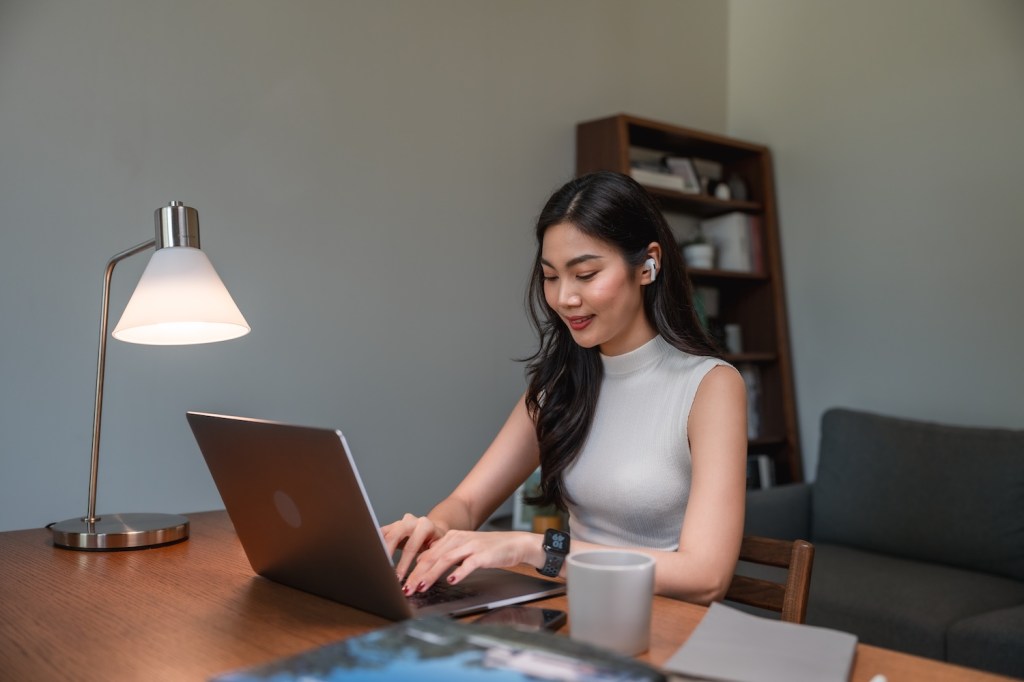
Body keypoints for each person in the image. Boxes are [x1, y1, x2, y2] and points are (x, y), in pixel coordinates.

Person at [382, 170, 747, 604]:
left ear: (648, 265)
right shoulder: (560, 384)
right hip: (573, 613)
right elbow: (466, 504)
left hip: (665, 626)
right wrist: (435, 529)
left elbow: (706, 576)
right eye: (551, 276)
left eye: (586, 274)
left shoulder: (710, 387)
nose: (564, 298)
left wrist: (535, 549)